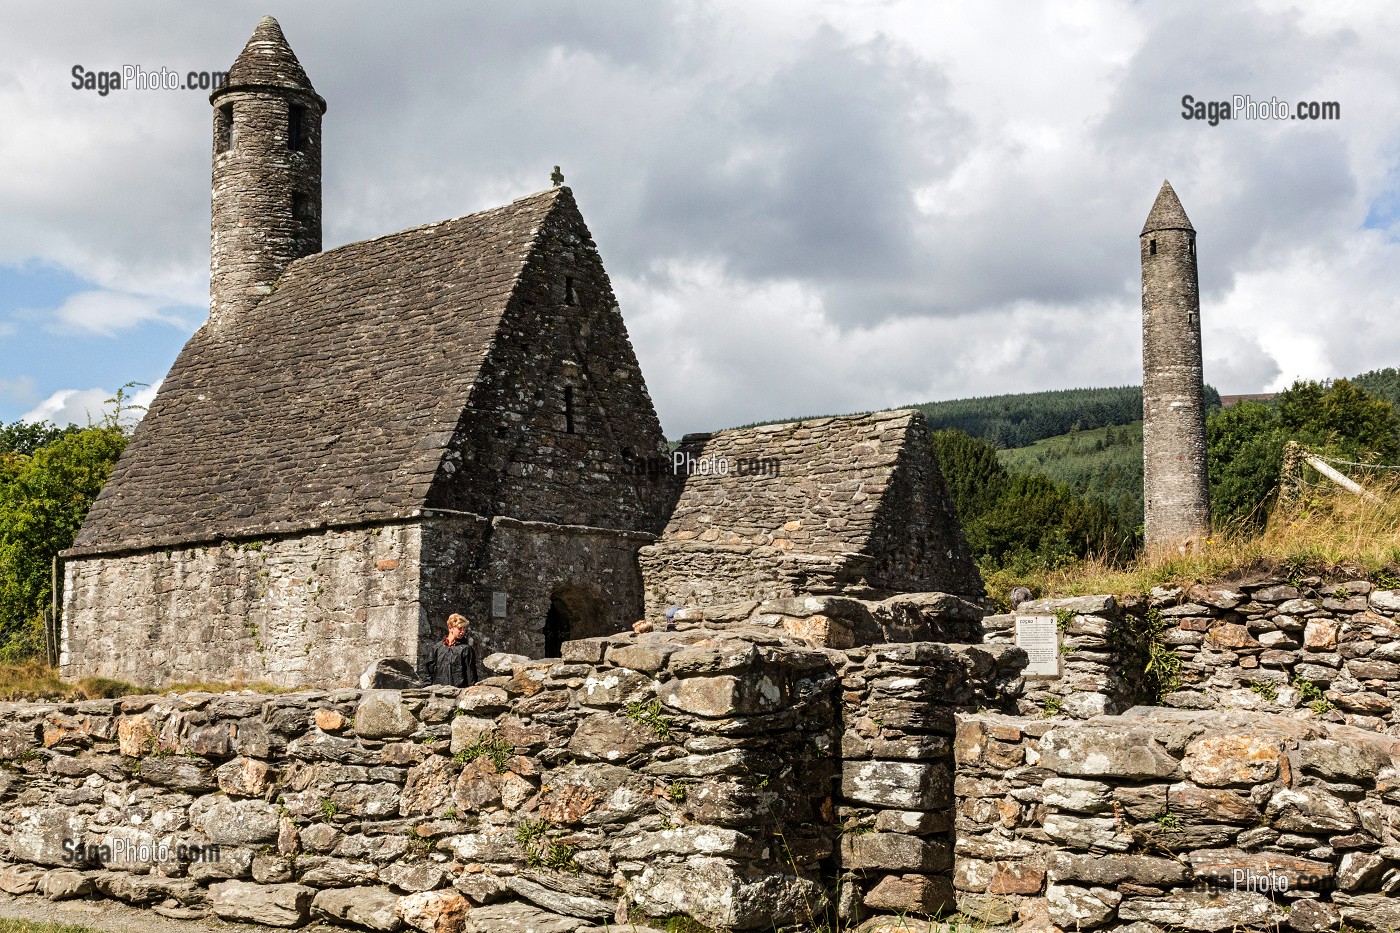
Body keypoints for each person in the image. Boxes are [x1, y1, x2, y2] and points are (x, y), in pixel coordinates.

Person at [421, 613, 478, 687]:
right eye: (460, 628)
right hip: (438, 691)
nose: (463, 632)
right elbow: (428, 672)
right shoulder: (437, 648)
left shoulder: (466, 649)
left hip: (459, 691)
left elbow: (471, 674)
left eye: (464, 628)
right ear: (450, 628)